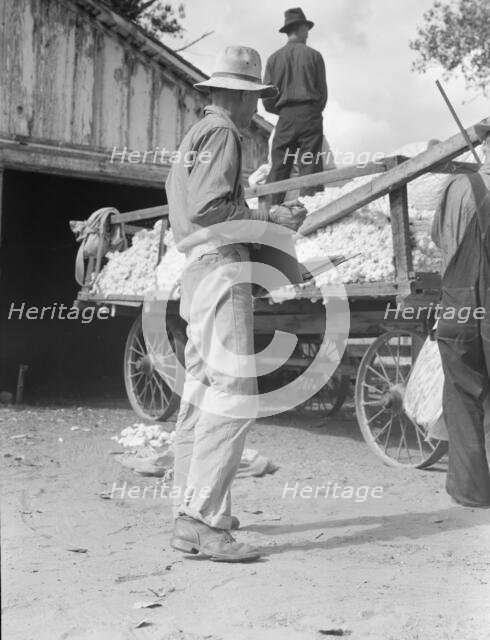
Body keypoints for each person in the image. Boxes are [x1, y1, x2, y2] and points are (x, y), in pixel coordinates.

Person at [165, 46, 306, 561]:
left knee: (201, 394)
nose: (258, 110)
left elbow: (200, 206)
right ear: (240, 96)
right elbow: (211, 209)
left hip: (197, 272)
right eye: (256, 99)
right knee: (235, 392)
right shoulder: (224, 132)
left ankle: (195, 513)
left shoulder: (193, 137)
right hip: (222, 267)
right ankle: (203, 520)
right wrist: (276, 222)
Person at [432, 119, 490, 507]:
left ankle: (471, 490)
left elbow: (441, 239)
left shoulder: (459, 186)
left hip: (461, 305)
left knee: (463, 392)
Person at [263, 7, 328, 205]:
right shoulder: (314, 56)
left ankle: (270, 212)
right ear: (300, 29)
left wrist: (283, 111)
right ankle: (312, 211)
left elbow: (267, 98)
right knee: (310, 166)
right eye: (306, 28)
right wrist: (311, 111)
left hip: (285, 118)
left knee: (279, 167)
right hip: (310, 116)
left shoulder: (273, 59)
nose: (308, 33)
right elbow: (323, 95)